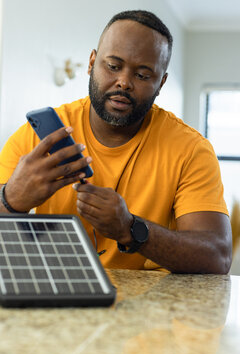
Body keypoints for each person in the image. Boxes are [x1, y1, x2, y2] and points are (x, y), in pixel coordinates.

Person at [0, 10, 232, 273]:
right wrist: (10, 200)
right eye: (113, 66)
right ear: (91, 62)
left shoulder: (190, 149)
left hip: (150, 305)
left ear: (161, 83)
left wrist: (130, 229)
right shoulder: (36, 138)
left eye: (143, 75)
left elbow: (218, 257)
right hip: (54, 290)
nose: (124, 82)